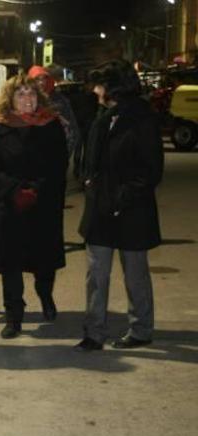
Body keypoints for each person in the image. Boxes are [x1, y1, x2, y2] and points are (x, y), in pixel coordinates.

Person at [74, 60, 163, 352]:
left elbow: (151, 171)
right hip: (100, 208)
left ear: (114, 87)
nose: (95, 90)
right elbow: (91, 157)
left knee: (135, 273)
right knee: (96, 274)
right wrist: (87, 180)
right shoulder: (103, 114)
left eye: (100, 84)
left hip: (131, 211)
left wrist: (121, 198)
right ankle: (94, 332)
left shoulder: (141, 118)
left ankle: (141, 329)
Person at [0, 73, 68, 339]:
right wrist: (15, 190)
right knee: (11, 264)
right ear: (10, 98)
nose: (27, 99)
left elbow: (60, 164)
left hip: (43, 203)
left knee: (43, 261)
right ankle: (14, 316)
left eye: (31, 93)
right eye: (20, 94)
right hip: (9, 205)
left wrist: (36, 189)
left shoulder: (51, 124)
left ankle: (45, 295)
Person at [28, 65, 81, 159]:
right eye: (37, 79)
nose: (41, 82)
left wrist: (64, 155)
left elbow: (72, 129)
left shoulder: (59, 101)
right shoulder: (25, 101)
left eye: (43, 78)